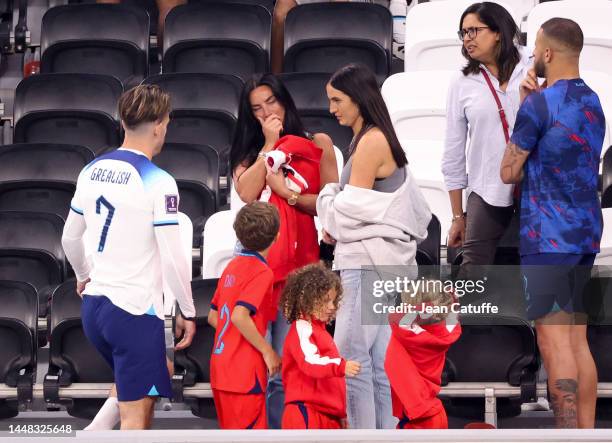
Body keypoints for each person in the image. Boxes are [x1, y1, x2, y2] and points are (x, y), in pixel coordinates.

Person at [61, 84, 196, 430]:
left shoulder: (91, 170)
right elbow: (173, 255)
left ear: (123, 120)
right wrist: (187, 309)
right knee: (135, 419)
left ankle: (92, 433)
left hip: (95, 309)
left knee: (150, 380)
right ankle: (92, 435)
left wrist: (82, 274)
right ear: (160, 125)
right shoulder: (159, 180)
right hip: (133, 312)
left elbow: (70, 237)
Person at [500, 18, 605, 428]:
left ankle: (566, 435)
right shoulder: (593, 101)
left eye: (535, 48)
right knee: (578, 340)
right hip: (584, 234)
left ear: (547, 53)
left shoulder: (539, 105)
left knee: (552, 339)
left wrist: (526, 106)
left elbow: (508, 171)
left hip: (547, 235)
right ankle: (588, 433)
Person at [318, 63, 431, 429]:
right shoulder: (369, 138)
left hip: (365, 265)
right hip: (376, 265)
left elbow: (342, 218)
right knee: (377, 362)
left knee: (351, 357)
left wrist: (327, 197)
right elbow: (350, 214)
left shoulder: (371, 142)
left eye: (337, 100)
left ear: (360, 99)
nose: (332, 109)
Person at [230, 73, 338, 428]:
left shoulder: (317, 143)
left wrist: (287, 191)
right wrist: (270, 145)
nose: (266, 113)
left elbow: (329, 203)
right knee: (268, 365)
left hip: (304, 270)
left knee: (298, 363)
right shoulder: (250, 151)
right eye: (257, 109)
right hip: (261, 269)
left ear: (285, 101)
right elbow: (247, 193)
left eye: (271, 103)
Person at [442, 2, 530, 264]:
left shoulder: (532, 66)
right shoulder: (462, 82)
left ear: (498, 32)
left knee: (541, 264)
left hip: (533, 181)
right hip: (486, 184)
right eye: (463, 33)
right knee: (473, 268)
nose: (467, 39)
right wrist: (458, 217)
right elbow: (453, 151)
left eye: (474, 31)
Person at [208, 201, 282, 429]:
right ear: (277, 236)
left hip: (221, 368)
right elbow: (240, 316)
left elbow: (213, 317)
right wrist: (267, 351)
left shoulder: (232, 266)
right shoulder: (262, 271)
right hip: (244, 374)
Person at [280, 263, 361, 429]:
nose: (332, 307)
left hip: (327, 415)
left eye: (334, 301)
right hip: (307, 413)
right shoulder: (302, 327)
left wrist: (340, 414)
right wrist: (341, 366)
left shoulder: (321, 332)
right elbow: (310, 361)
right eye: (326, 301)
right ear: (307, 299)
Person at [385, 281, 461, 429]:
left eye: (407, 303)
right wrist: (450, 302)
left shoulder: (405, 333)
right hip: (434, 413)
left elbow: (395, 317)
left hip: (418, 417)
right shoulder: (445, 333)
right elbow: (453, 319)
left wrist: (427, 305)